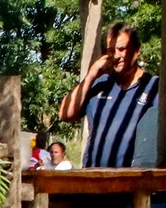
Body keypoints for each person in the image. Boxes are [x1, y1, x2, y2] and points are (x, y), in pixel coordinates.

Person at [58, 22, 158, 169]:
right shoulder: (100, 83)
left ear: (137, 50)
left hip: (133, 181)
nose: (116, 56)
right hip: (94, 179)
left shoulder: (154, 87)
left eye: (122, 49)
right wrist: (91, 75)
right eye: (111, 50)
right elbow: (65, 114)